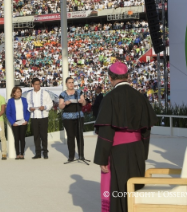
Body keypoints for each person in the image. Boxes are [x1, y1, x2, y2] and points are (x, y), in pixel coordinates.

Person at [93, 61, 157, 212]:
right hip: (137, 149)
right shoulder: (140, 97)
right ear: (128, 76)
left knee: (118, 191)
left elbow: (106, 131)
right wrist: (143, 153)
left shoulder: (109, 98)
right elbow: (146, 129)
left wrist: (102, 159)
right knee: (133, 188)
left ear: (110, 78)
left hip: (117, 151)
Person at [59, 77, 86, 162]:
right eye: (69, 82)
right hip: (67, 118)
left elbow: (84, 103)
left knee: (79, 136)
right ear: (66, 84)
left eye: (72, 82)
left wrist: (82, 101)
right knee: (70, 137)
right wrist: (65, 103)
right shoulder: (63, 94)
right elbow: (60, 106)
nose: (71, 84)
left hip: (79, 116)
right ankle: (71, 156)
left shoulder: (78, 92)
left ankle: (81, 155)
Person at [26, 78, 53, 159]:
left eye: (39, 84)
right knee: (36, 135)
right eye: (36, 84)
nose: (38, 86)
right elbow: (27, 105)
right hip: (34, 117)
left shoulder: (45, 93)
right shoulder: (29, 94)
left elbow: (50, 104)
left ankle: (45, 152)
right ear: (32, 85)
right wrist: (30, 108)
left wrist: (44, 107)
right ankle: (38, 153)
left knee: (44, 135)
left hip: (43, 116)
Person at [6, 86, 31, 159]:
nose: (19, 93)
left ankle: (22, 153)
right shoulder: (10, 101)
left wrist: (26, 120)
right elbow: (8, 113)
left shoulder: (24, 100)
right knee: (16, 138)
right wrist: (12, 122)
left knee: (22, 138)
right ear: (14, 93)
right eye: (17, 92)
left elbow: (27, 111)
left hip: (23, 121)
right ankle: (17, 154)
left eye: (20, 91)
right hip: (15, 123)